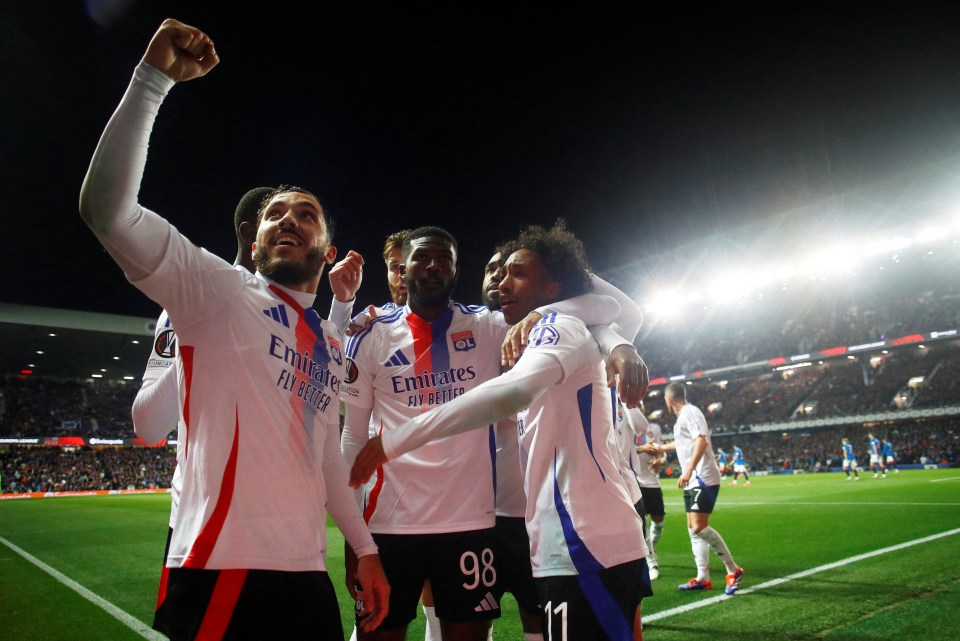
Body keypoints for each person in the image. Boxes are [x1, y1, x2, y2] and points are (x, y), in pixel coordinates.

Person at [79, 19, 387, 640]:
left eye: (306, 214)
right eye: (275, 214)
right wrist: (151, 82)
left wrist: (365, 547)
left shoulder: (329, 343)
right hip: (221, 570)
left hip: (307, 574)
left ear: (327, 250)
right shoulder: (217, 290)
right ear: (255, 240)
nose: (288, 221)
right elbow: (107, 213)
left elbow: (327, 456)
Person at [348, 221, 653, 641]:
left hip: (578, 536)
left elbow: (510, 392)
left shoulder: (548, 327)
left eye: (517, 273)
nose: (500, 282)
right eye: (498, 272)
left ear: (553, 286)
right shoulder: (517, 335)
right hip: (542, 529)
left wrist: (396, 440)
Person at [643, 383, 743, 596]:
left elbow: (701, 441)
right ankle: (702, 577)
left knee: (698, 527)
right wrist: (660, 448)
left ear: (669, 400)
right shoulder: (683, 418)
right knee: (692, 529)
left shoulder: (689, 411)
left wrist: (687, 470)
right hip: (694, 479)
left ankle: (733, 570)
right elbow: (684, 444)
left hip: (702, 476)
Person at [622, 402, 665, 581]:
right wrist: (641, 448)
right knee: (641, 523)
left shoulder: (653, 428)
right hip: (634, 479)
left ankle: (651, 546)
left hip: (652, 481)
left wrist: (660, 460)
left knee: (659, 521)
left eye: (641, 404)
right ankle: (651, 561)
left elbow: (661, 451)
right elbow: (622, 449)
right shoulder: (622, 422)